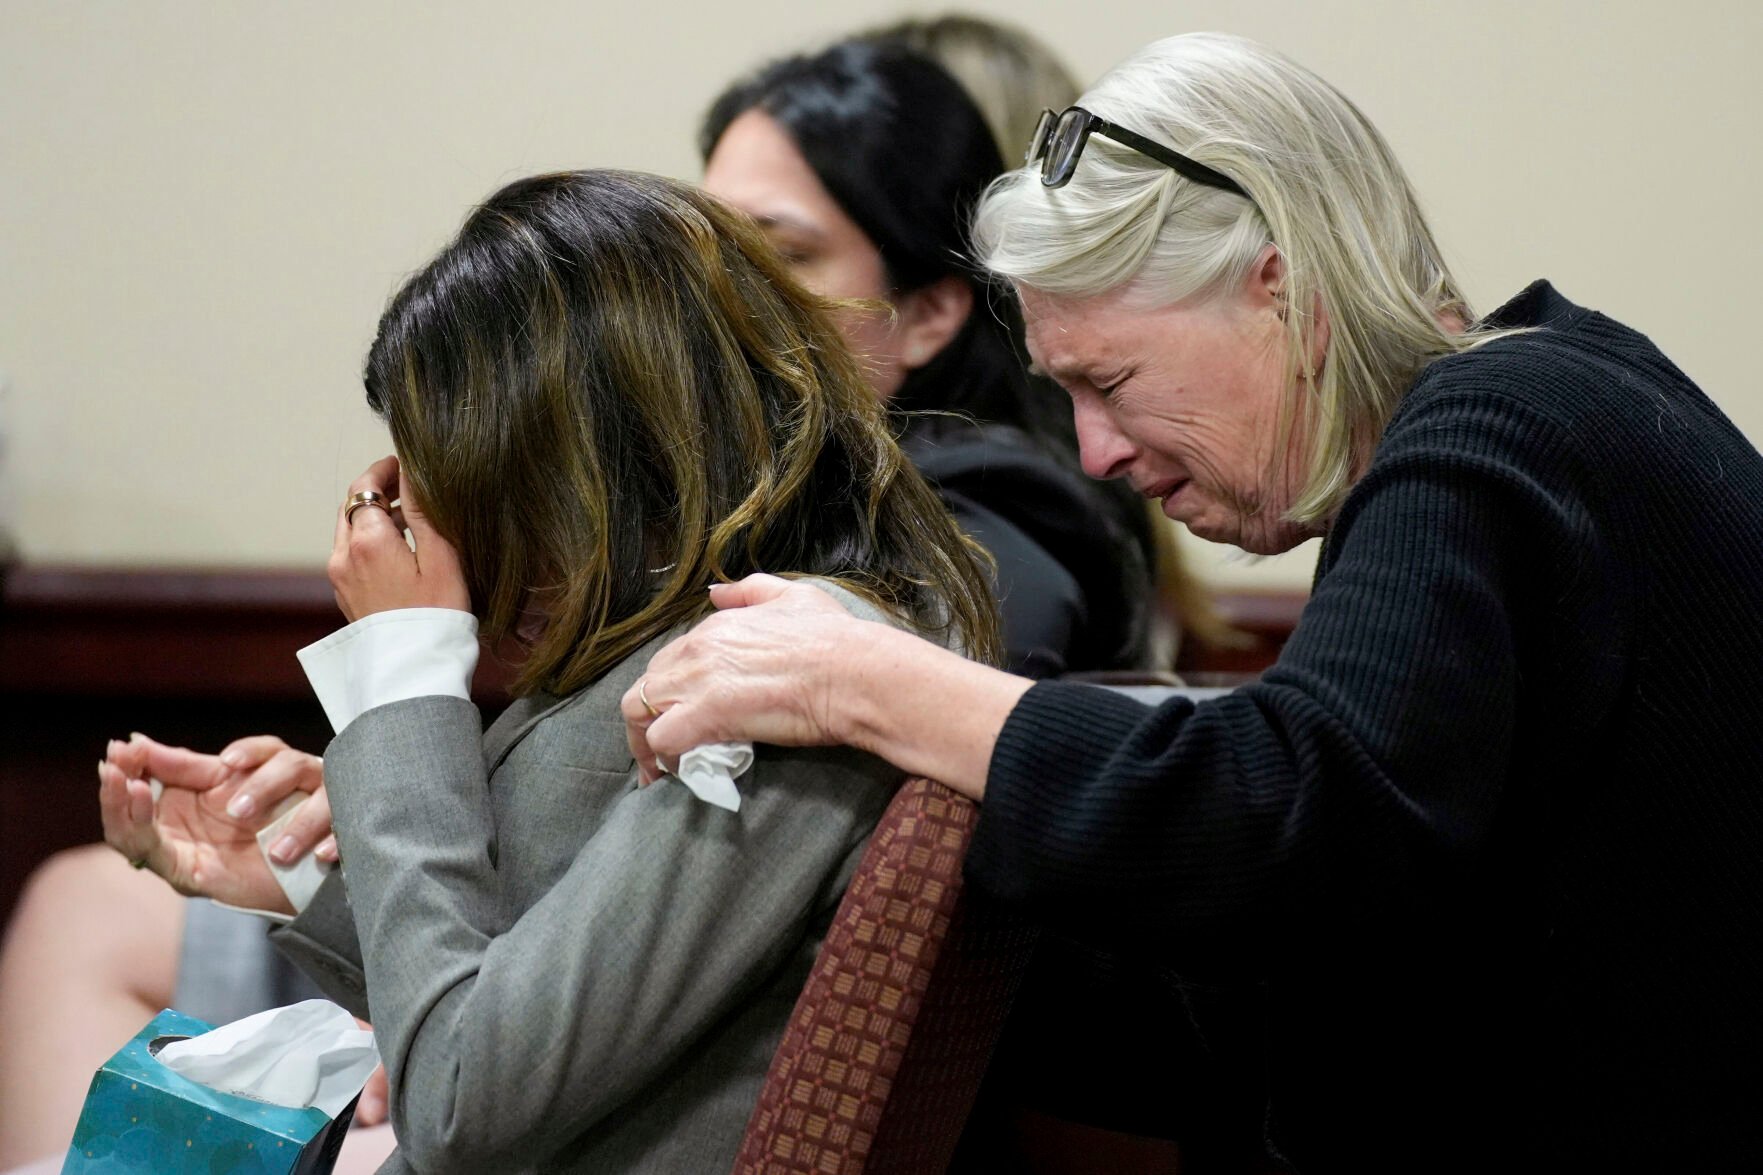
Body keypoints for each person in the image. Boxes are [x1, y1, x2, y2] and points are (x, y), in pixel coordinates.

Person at [624, 32, 1763, 1171]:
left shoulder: (1501, 422)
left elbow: (1295, 815)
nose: (1094, 450)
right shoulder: (1539, 402)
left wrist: (863, 680)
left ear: (1285, 286)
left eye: (1108, 381)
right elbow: (1291, 978)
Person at [98, 169, 1000, 1172]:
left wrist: (402, 674)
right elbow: (546, 1018)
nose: (448, 539)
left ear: (579, 460)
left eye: (467, 485)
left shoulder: (779, 668)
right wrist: (302, 872)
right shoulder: (714, 627)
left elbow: (459, 1100)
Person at [702, 40, 1158, 678]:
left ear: (928, 313)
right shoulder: (769, 479)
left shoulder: (987, 511)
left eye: (782, 256)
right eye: (704, 249)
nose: (714, 292)